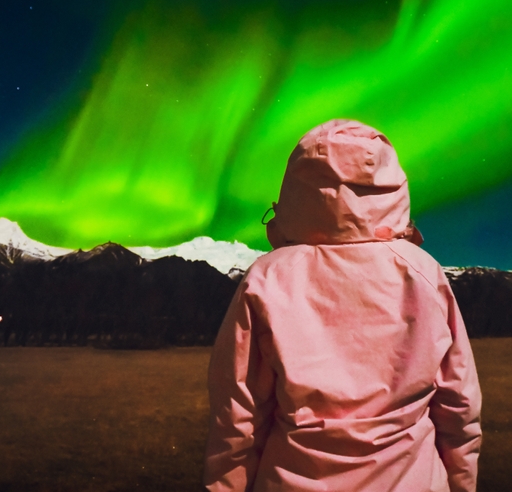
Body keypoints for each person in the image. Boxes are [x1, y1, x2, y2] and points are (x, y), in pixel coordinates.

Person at [203, 119, 481, 492]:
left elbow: (237, 418)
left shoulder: (266, 278)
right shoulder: (424, 273)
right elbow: (459, 405)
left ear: (296, 189)